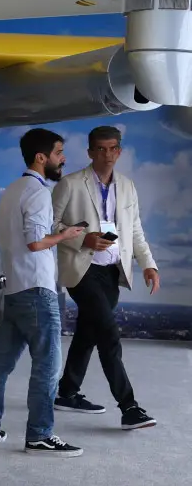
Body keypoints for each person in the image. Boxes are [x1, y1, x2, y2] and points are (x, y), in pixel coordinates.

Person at [0, 129, 84, 457]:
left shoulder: (11, 190)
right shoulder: (38, 193)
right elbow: (35, 243)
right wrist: (68, 235)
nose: (63, 158)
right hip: (37, 291)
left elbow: (22, 239)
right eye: (59, 152)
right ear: (41, 157)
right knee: (48, 366)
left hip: (12, 289)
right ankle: (39, 435)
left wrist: (56, 232)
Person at [51, 125, 159, 430]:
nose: (107, 154)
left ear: (120, 151)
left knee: (88, 333)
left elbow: (134, 230)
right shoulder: (70, 184)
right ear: (89, 152)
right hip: (81, 270)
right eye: (100, 148)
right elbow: (50, 224)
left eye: (112, 148)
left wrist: (148, 264)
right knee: (109, 334)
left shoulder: (127, 186)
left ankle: (67, 391)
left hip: (113, 272)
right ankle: (130, 407)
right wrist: (82, 239)